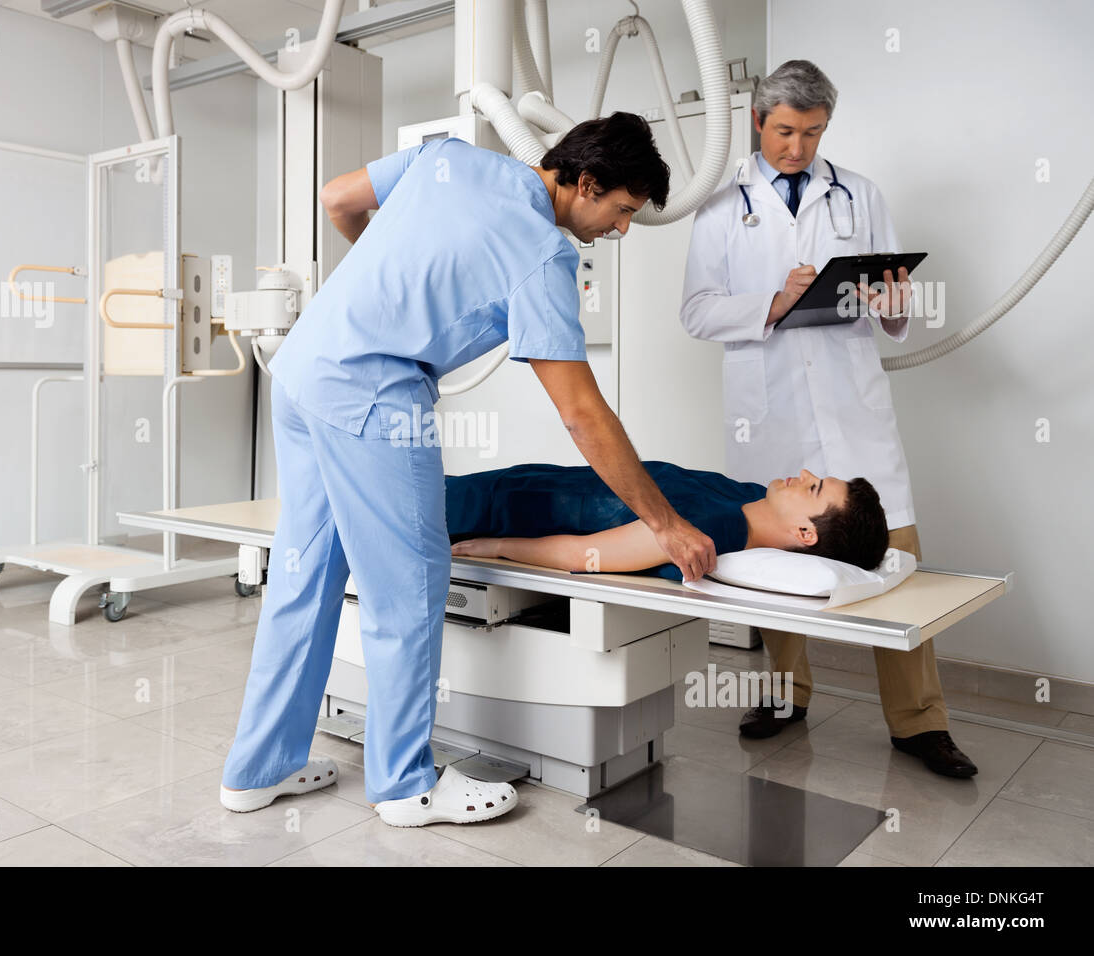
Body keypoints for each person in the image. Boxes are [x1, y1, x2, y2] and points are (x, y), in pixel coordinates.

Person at [220, 113, 719, 827]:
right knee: (409, 585)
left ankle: (257, 770)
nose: (621, 230)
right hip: (373, 396)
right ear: (585, 182)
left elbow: (338, 198)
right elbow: (582, 414)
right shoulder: (543, 255)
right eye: (622, 211)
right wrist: (664, 524)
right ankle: (402, 786)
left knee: (305, 570)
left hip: (305, 368)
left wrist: (389, 292)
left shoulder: (447, 158)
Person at [679, 59, 975, 778]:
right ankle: (783, 697)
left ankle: (918, 723)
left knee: (897, 564)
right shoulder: (720, 207)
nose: (798, 148)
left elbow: (897, 307)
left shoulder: (860, 195)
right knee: (772, 564)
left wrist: (893, 304)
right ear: (757, 121)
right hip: (770, 416)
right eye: (785, 131)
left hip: (855, 413)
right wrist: (773, 302)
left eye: (813, 133)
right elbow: (695, 311)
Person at [448, 462, 887, 577]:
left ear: (805, 533)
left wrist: (497, 546)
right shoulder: (752, 499)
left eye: (814, 489)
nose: (805, 474)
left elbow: (585, 555)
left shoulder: (711, 532)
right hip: (525, 484)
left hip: (495, 512)